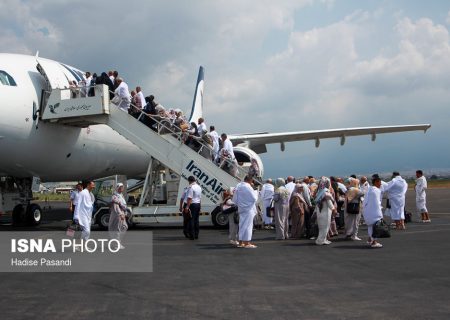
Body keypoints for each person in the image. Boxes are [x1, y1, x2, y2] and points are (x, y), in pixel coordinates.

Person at [232, 175, 258, 248]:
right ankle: (247, 243)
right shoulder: (248, 187)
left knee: (242, 225)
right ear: (250, 180)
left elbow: (234, 199)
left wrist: (240, 204)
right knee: (248, 226)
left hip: (241, 208)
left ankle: (241, 243)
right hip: (249, 209)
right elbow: (254, 198)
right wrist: (255, 190)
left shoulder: (238, 185)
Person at [362, 176, 384, 248]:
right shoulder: (377, 190)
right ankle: (374, 242)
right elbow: (377, 203)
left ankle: (370, 239)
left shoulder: (369, 189)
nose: (380, 184)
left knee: (370, 226)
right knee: (375, 227)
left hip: (367, 211)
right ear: (376, 182)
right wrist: (380, 213)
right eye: (379, 183)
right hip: (374, 211)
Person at [314, 177, 336, 245]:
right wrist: (333, 209)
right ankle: (320, 240)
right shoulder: (326, 191)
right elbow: (329, 202)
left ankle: (323, 239)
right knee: (325, 226)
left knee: (322, 226)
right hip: (325, 211)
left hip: (320, 211)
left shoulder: (319, 191)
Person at [108, 183, 128, 249]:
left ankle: (117, 242)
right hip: (117, 215)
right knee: (117, 229)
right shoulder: (115, 196)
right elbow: (116, 207)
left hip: (121, 213)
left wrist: (125, 213)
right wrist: (120, 214)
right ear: (117, 188)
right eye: (120, 187)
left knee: (124, 227)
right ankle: (116, 245)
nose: (122, 188)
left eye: (122, 187)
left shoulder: (121, 195)